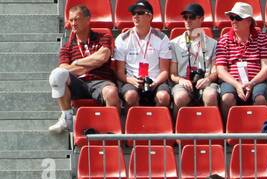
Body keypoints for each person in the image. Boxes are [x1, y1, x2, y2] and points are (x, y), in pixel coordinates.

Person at [49, 4, 120, 133]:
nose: (73, 23)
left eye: (77, 19)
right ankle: (67, 117)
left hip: (100, 81)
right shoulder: (67, 47)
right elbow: (64, 68)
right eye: (71, 20)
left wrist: (77, 62)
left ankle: (111, 128)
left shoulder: (104, 37)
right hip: (78, 83)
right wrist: (91, 64)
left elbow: (103, 57)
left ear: (88, 20)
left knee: (111, 92)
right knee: (57, 74)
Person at [112, 0, 174, 110]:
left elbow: (165, 71)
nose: (135, 16)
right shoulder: (122, 38)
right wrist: (131, 80)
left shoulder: (162, 38)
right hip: (132, 80)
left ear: (150, 16)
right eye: (133, 13)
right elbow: (120, 72)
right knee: (131, 95)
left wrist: (154, 83)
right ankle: (134, 125)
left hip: (156, 80)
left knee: (163, 97)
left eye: (140, 13)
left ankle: (158, 125)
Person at [214, 2, 267, 115]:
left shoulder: (263, 39)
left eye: (238, 17)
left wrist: (251, 83)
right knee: (227, 98)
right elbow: (221, 71)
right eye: (232, 17)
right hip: (231, 81)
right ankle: (230, 130)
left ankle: (261, 130)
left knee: (260, 98)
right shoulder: (223, 40)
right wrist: (237, 84)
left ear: (249, 21)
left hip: (257, 81)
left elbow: (266, 68)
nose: (234, 21)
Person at [171, 3, 219, 109]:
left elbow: (215, 71)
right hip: (184, 82)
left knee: (210, 95)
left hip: (206, 81)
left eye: (191, 17)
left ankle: (211, 125)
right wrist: (181, 80)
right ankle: (178, 125)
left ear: (201, 19)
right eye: (185, 17)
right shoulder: (174, 43)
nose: (188, 20)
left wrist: (208, 79)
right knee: (180, 97)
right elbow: (173, 74)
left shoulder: (213, 43)